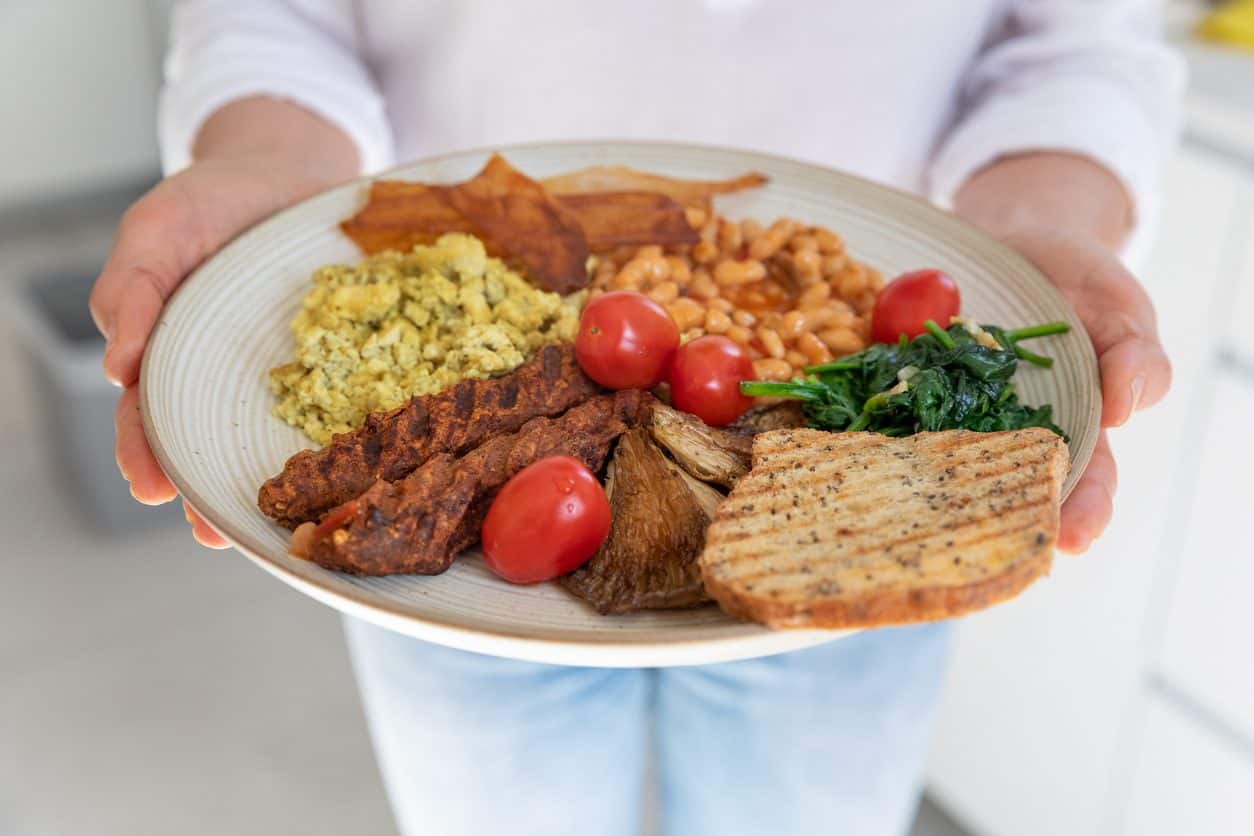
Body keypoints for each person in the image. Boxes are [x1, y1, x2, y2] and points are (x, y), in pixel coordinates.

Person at [89, 2, 1181, 834]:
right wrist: (267, 163)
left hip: (855, 513)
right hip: (463, 580)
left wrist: (1034, 227)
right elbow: (275, 19)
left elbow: (1080, 47)